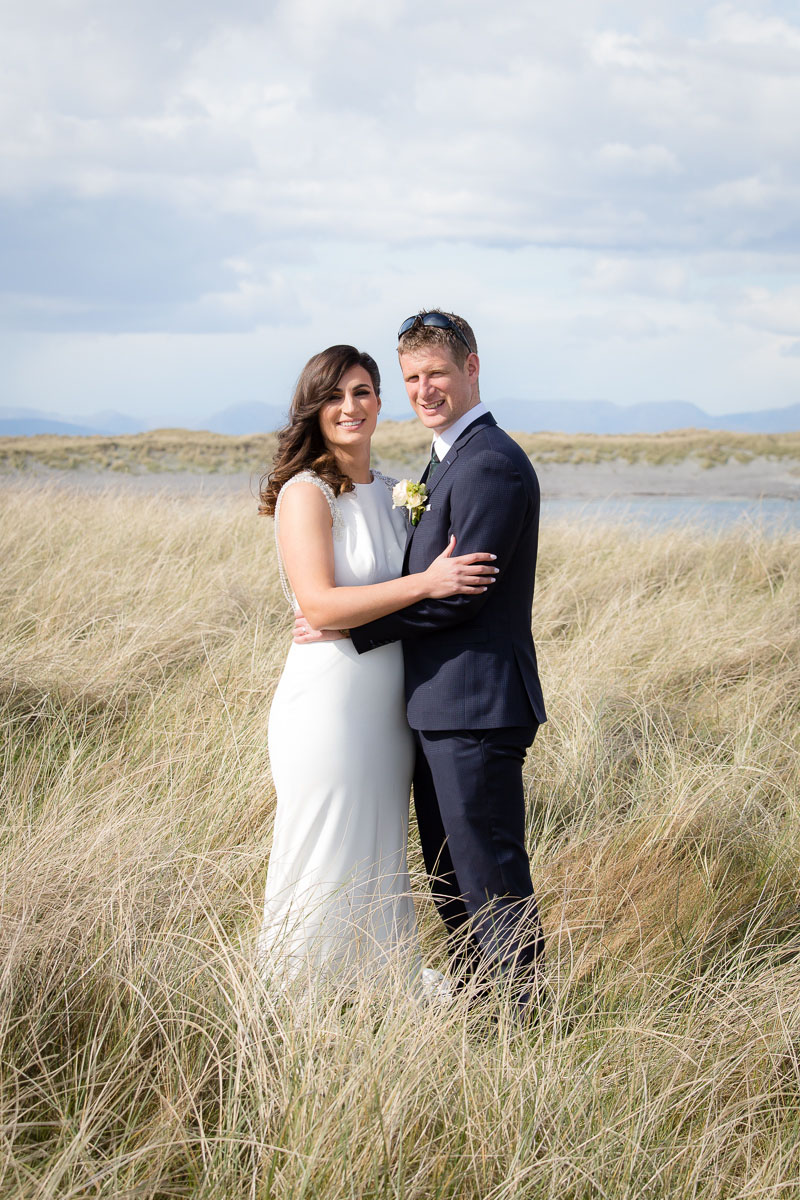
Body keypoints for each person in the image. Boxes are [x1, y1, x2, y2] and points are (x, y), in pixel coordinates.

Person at [294, 312, 547, 1018]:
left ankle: (520, 1025)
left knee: (490, 879)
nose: (424, 389)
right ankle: (481, 1012)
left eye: (437, 372)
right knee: (452, 881)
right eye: (411, 378)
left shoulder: (490, 463)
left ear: (472, 368)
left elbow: (463, 597)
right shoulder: (442, 462)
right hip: (438, 710)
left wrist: (351, 631)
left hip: (476, 707)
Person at [256, 343, 498, 989]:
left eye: (362, 391)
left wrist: (425, 585)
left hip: (389, 710)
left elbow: (369, 602)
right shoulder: (306, 494)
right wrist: (427, 584)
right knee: (323, 846)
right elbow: (320, 604)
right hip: (329, 705)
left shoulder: (398, 494)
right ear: (313, 408)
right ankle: (296, 1001)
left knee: (377, 851)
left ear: (380, 400)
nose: (350, 407)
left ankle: (371, 993)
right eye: (334, 395)